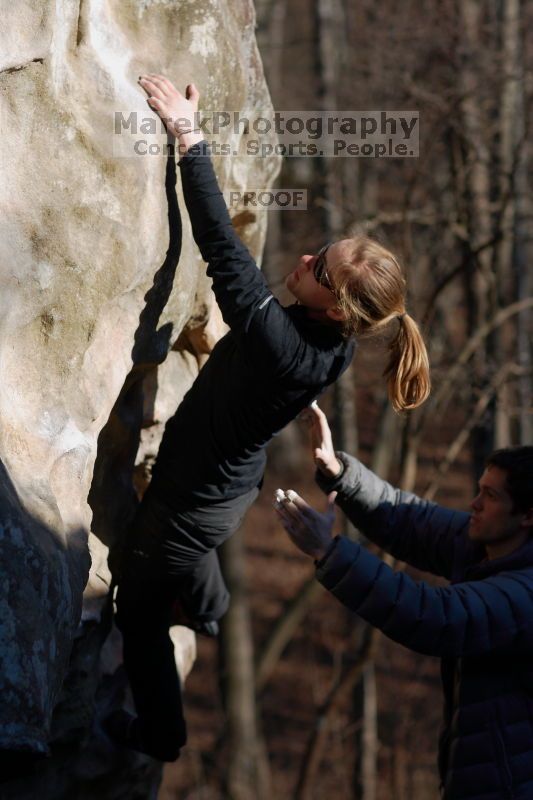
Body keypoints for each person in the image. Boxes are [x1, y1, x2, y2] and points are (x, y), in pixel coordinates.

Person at [109, 74, 430, 762]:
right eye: (323, 251)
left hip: (189, 504)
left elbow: (221, 246)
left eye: (321, 267)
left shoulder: (280, 342)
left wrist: (185, 132)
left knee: (135, 616)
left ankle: (161, 736)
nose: (307, 257)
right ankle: (210, 610)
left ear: (336, 308)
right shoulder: (335, 344)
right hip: (224, 493)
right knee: (188, 564)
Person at [276, 403, 533, 800]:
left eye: (490, 495)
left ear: (527, 516)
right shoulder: (491, 546)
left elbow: (437, 617)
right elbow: (412, 520)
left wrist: (329, 552)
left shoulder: (525, 593)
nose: (474, 503)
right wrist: (339, 472)